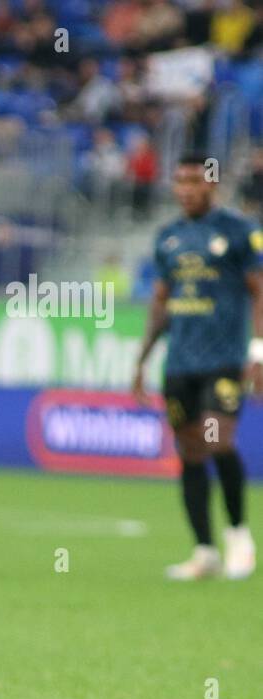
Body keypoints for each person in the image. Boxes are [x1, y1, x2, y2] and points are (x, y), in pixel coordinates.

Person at [133, 154, 263, 580]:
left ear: (213, 184)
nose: (185, 189)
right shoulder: (169, 237)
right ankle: (204, 550)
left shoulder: (239, 232)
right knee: (189, 450)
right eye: (179, 181)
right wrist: (143, 357)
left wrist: (258, 351)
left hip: (223, 361)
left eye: (194, 181)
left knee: (218, 439)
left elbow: (258, 291)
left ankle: (240, 536)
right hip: (180, 364)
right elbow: (161, 301)